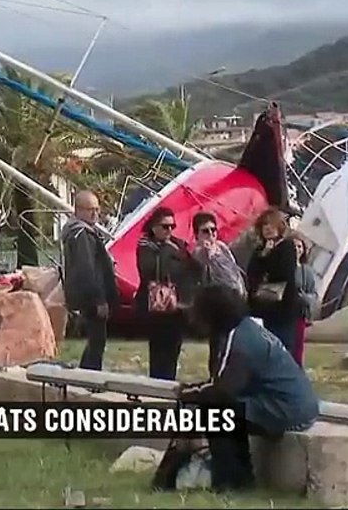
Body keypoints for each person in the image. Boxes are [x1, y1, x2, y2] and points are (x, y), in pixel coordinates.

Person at [178, 284, 320, 492]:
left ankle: (231, 482)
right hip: (294, 405)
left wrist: (188, 393)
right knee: (227, 409)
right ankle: (240, 477)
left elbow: (223, 390)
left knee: (215, 413)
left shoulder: (239, 341)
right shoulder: (246, 328)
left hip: (287, 410)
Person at [135, 206, 200, 380]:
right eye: (165, 226)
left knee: (174, 346)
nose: (169, 230)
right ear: (154, 227)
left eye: (172, 226)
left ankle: (169, 381)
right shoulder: (146, 245)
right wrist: (167, 250)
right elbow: (150, 271)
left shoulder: (178, 244)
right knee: (158, 348)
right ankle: (157, 383)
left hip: (177, 305)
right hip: (156, 305)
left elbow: (193, 269)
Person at [61, 190, 117, 371]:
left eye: (97, 209)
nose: (95, 214)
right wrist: (99, 300)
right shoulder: (81, 234)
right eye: (90, 209)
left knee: (96, 341)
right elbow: (87, 270)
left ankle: (86, 375)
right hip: (91, 297)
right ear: (78, 210)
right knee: (97, 342)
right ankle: (89, 378)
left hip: (87, 296)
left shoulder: (79, 232)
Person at [245, 207, 306, 366]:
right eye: (264, 226)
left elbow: (283, 272)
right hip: (263, 309)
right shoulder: (259, 250)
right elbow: (252, 275)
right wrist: (264, 254)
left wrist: (268, 258)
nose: (268, 229)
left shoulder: (287, 246)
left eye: (271, 225)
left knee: (284, 347)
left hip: (283, 308)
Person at [190, 211, 247, 375]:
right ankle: (216, 377)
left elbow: (233, 272)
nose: (210, 235)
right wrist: (211, 254)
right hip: (218, 305)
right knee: (219, 345)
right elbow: (213, 270)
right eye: (205, 231)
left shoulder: (222, 247)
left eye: (213, 230)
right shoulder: (200, 252)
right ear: (197, 234)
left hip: (235, 300)